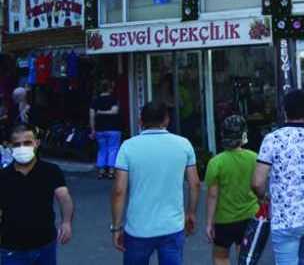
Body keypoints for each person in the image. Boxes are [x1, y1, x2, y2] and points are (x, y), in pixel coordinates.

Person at [253, 90, 304, 265]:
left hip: (285, 218)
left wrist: (265, 197)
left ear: (284, 111)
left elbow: (257, 182)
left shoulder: (272, 140)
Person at [111, 101, 200, 265]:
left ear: (141, 122)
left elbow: (119, 191)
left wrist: (116, 227)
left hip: (138, 228)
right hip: (172, 226)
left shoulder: (128, 147)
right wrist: (191, 213)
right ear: (167, 120)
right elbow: (194, 184)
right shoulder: (184, 144)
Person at [0, 124, 73, 265]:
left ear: (37, 143)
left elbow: (64, 197)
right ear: (10, 146)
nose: (22, 148)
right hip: (11, 247)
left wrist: (66, 223)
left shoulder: (51, 171)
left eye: (27, 143)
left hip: (45, 244)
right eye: (17, 144)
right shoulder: (3, 176)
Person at [205, 115, 259, 265]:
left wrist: (209, 223)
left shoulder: (215, 162)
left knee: (221, 256)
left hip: (224, 220)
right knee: (245, 257)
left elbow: (212, 195)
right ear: (243, 135)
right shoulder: (254, 158)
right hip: (250, 215)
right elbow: (259, 185)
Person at [90, 80, 122, 180]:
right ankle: (111, 171)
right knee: (113, 149)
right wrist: (104, 112)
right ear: (110, 88)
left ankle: (101, 171)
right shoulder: (113, 99)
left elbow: (91, 115)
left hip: (100, 129)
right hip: (113, 128)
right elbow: (115, 111)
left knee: (102, 149)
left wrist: (93, 130)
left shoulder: (95, 100)